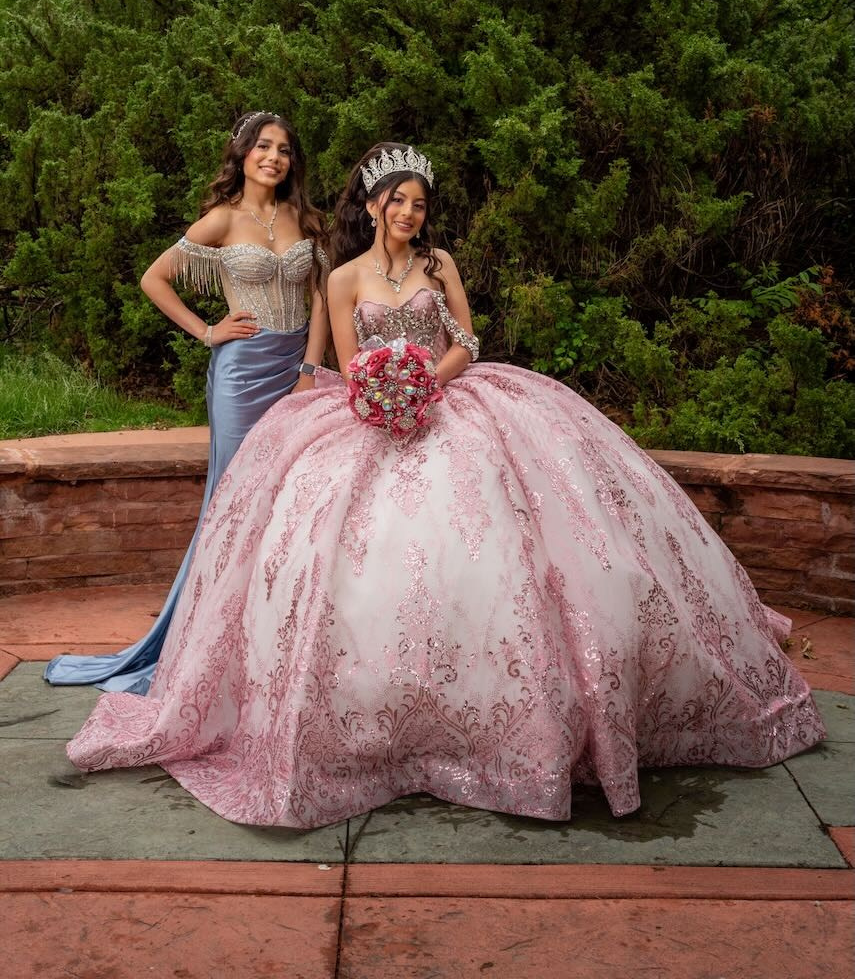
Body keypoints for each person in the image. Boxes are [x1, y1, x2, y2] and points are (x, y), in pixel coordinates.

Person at [65, 143, 825, 826]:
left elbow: (467, 338)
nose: (407, 213)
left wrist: (428, 379)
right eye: (395, 201)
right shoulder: (344, 276)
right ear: (372, 207)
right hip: (371, 413)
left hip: (452, 399)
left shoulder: (438, 266)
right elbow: (345, 361)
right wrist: (375, 394)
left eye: (418, 204)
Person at [45, 111, 329, 694]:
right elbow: (153, 278)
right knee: (234, 499)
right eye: (263, 147)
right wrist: (206, 331)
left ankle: (270, 632)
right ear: (243, 154)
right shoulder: (221, 219)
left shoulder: (305, 219)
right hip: (241, 374)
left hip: (295, 368)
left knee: (293, 497)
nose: (273, 158)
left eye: (283, 149)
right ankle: (207, 640)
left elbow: (323, 296)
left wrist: (310, 367)